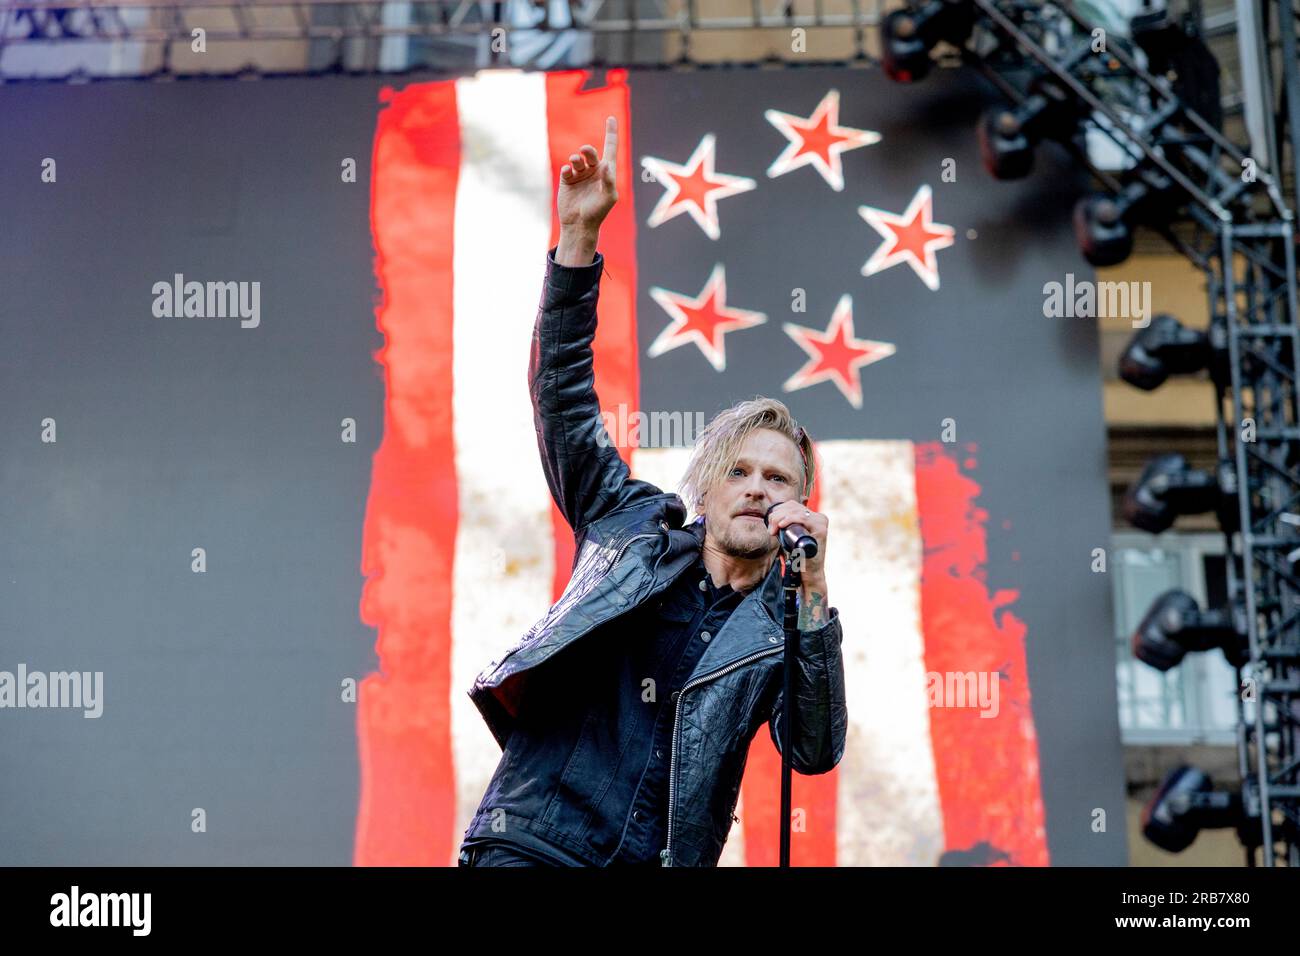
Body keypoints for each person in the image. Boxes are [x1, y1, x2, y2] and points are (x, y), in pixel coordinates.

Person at [458, 116, 847, 867]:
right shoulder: (625, 524)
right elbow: (562, 397)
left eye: (778, 478)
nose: (757, 489)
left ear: (800, 502)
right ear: (703, 487)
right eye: (738, 470)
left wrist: (814, 589)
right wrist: (577, 239)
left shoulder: (784, 626)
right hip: (534, 842)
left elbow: (814, 750)